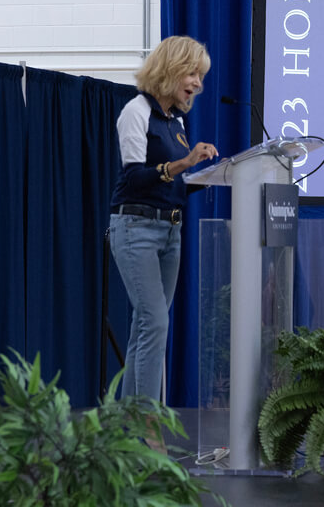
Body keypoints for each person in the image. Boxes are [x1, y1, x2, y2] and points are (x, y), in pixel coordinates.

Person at [108, 36, 218, 448]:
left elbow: (170, 183)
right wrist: (184, 164)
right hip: (135, 229)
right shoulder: (136, 112)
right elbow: (135, 177)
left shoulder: (176, 122)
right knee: (155, 322)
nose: (198, 84)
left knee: (145, 328)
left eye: (200, 76)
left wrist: (205, 177)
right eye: (192, 74)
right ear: (170, 69)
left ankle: (127, 426)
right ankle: (147, 424)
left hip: (170, 230)